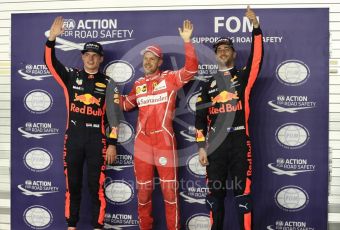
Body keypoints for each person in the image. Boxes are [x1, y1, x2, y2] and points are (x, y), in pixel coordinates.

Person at [44, 16, 120, 230]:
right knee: (73, 186)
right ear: (82, 56)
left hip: (97, 140)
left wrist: (112, 143)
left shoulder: (109, 84)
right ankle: (71, 225)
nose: (91, 59)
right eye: (87, 55)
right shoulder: (71, 76)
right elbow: (50, 63)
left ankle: (98, 225)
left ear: (101, 59)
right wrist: (51, 39)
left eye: (95, 55)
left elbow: (114, 117)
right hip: (74, 138)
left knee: (96, 187)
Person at [120, 20, 198, 230]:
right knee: (143, 192)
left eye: (151, 59)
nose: (147, 62)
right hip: (142, 143)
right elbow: (126, 105)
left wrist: (187, 42)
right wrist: (110, 95)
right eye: (145, 59)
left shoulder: (169, 78)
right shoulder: (138, 84)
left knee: (169, 193)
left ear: (159, 61)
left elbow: (191, 70)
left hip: (164, 140)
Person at [195, 6, 263, 230]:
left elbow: (257, 59)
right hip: (215, 146)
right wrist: (200, 147)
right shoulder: (208, 84)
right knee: (215, 197)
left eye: (227, 49)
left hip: (239, 144)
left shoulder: (243, 77)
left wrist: (255, 28)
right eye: (219, 49)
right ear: (215, 55)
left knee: (243, 197)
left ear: (234, 54)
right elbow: (200, 116)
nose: (223, 52)